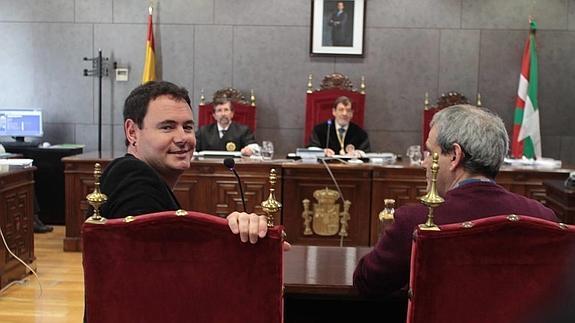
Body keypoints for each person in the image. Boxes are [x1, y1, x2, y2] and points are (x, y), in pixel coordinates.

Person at [353, 104, 557, 299]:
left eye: (430, 153)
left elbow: (367, 282)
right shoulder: (543, 218)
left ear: (455, 156)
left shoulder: (416, 221)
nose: (424, 163)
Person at [99, 81, 273, 245]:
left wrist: (237, 232)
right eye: (167, 127)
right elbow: (164, 266)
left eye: (188, 127)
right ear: (132, 132)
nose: (183, 138)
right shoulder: (133, 178)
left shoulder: (138, 178)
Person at [195, 97, 259, 156]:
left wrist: (250, 149)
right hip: (209, 167)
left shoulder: (243, 130)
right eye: (219, 110)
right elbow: (193, 146)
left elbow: (254, 146)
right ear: (214, 115)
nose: (223, 114)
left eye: (226, 110)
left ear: (232, 114)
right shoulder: (204, 131)